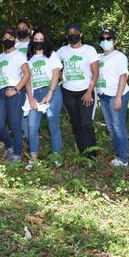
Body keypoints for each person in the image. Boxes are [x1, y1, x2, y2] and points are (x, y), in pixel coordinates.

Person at [57, 23, 99, 157]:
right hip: (68, 92)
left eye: (75, 31)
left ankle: (92, 154)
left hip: (85, 91)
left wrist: (88, 91)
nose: (72, 34)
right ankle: (82, 152)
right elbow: (53, 66)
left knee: (86, 123)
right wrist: (59, 77)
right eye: (69, 32)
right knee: (76, 123)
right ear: (66, 36)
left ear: (81, 34)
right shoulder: (62, 51)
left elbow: (95, 72)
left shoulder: (89, 50)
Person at [25, 28, 63, 169]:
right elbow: (27, 79)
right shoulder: (28, 58)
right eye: (36, 39)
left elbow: (55, 75)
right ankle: (33, 159)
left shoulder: (52, 55)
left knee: (53, 124)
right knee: (32, 126)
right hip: (34, 93)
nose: (39, 42)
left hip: (51, 91)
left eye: (41, 39)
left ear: (45, 40)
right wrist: (30, 97)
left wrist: (49, 93)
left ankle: (56, 156)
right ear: (32, 41)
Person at [0, 28, 31, 163]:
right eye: (5, 37)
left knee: (14, 123)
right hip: (1, 93)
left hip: (15, 92)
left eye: (10, 37)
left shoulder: (19, 55)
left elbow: (26, 74)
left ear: (15, 40)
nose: (7, 39)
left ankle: (17, 154)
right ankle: (9, 145)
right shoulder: (1, 56)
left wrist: (15, 89)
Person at [96, 29, 129, 167]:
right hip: (104, 96)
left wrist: (118, 98)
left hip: (117, 95)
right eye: (102, 38)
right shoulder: (99, 57)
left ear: (114, 41)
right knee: (110, 127)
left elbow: (123, 76)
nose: (105, 41)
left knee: (118, 126)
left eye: (108, 38)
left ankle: (123, 159)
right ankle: (118, 154)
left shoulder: (119, 56)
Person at [15, 19, 32, 139]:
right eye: (19, 28)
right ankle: (24, 135)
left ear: (29, 29)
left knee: (31, 111)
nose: (22, 30)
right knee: (20, 111)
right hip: (18, 82)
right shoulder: (14, 44)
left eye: (24, 27)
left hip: (32, 81)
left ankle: (32, 136)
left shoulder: (34, 43)